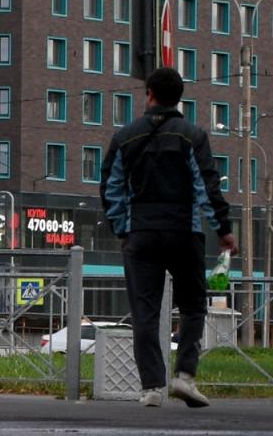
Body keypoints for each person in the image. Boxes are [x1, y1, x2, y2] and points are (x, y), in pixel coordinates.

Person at [100, 67, 237, 408]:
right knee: (193, 306)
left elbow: (111, 188)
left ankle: (151, 389)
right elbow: (207, 186)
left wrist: (123, 228)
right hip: (183, 232)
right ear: (180, 97)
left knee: (144, 312)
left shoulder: (125, 137)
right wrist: (223, 228)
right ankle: (184, 377)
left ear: (149, 94)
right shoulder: (192, 135)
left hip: (141, 235)